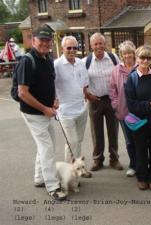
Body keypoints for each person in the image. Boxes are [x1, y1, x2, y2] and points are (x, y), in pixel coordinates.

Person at [16, 25, 67, 201]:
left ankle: (39, 178)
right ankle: (53, 186)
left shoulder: (47, 59)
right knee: (47, 148)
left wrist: (54, 100)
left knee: (46, 145)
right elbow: (22, 92)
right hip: (33, 113)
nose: (45, 43)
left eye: (47, 40)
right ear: (33, 40)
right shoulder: (27, 61)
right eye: (41, 39)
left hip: (45, 112)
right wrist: (45, 108)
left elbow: (49, 83)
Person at [125, 45, 151, 191]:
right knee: (141, 150)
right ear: (137, 59)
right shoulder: (132, 78)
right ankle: (142, 177)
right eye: (142, 57)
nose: (145, 61)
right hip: (139, 122)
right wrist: (150, 105)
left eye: (148, 58)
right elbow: (131, 105)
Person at [83, 33, 123, 171]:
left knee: (113, 131)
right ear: (91, 45)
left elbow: (121, 74)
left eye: (101, 43)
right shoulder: (86, 61)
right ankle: (97, 159)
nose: (98, 46)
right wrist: (87, 95)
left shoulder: (113, 58)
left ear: (105, 44)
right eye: (95, 44)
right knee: (96, 132)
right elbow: (81, 82)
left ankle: (114, 159)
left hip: (111, 99)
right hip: (95, 101)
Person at [54, 35, 91, 177]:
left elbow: (84, 84)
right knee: (72, 142)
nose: (72, 50)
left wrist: (87, 97)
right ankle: (68, 173)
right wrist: (54, 100)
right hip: (65, 111)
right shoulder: (56, 65)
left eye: (75, 48)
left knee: (78, 141)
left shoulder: (81, 63)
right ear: (63, 48)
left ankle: (78, 168)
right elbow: (50, 86)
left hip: (81, 109)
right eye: (68, 48)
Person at [109, 40, 137, 177]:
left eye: (130, 53)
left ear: (134, 54)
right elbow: (112, 89)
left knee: (141, 139)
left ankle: (143, 163)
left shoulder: (139, 67)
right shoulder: (116, 70)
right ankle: (133, 165)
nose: (127, 56)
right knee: (129, 140)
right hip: (123, 112)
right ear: (121, 55)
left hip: (139, 111)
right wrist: (115, 104)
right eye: (125, 53)